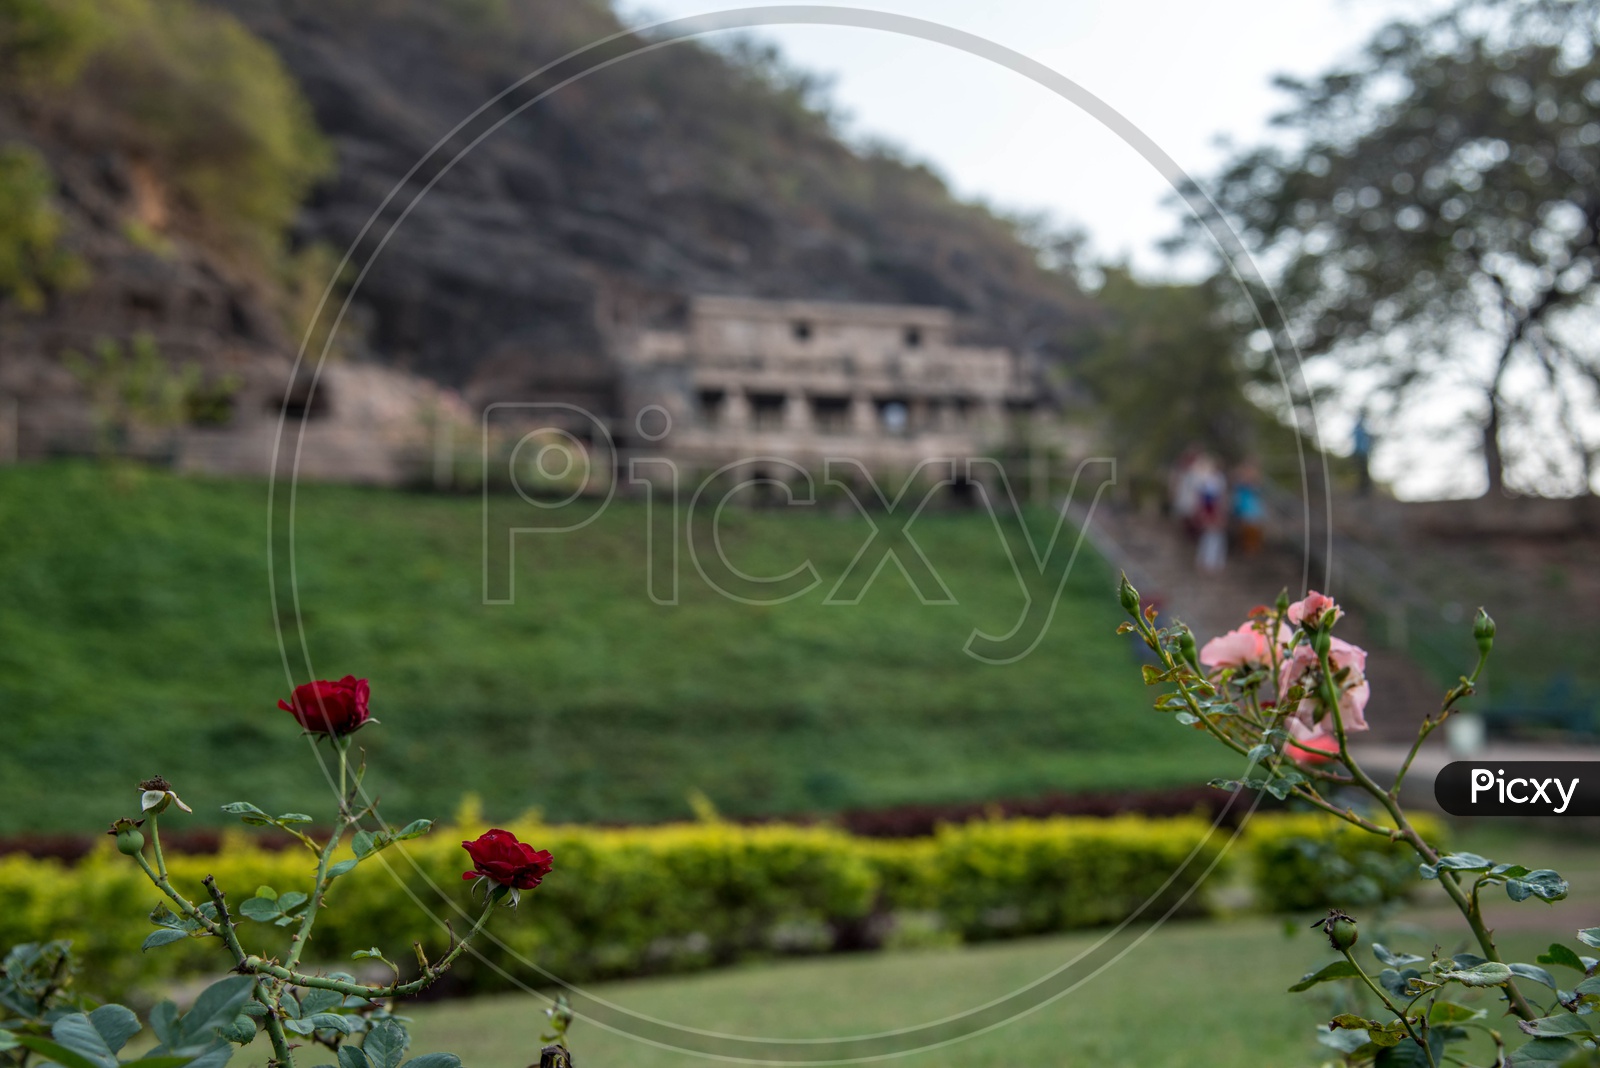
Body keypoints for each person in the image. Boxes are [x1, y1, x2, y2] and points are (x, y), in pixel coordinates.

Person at [1191, 454, 1228, 572]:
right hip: (1210, 510)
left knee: (1214, 536)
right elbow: (1204, 499)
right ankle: (1207, 562)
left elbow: (1220, 499)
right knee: (1209, 536)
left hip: (1213, 510)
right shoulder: (1206, 481)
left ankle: (1212, 562)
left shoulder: (1218, 479)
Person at [1231, 460, 1265, 556]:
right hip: (1245, 506)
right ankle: (1245, 548)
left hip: (1252, 507)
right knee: (1245, 528)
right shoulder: (1241, 482)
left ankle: (1250, 548)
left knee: (1253, 528)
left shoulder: (1254, 483)